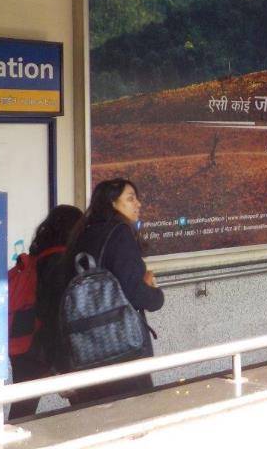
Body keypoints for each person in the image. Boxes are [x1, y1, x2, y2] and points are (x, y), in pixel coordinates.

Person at [62, 178, 164, 405]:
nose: (138, 204)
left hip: (85, 349)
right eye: (130, 198)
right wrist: (154, 292)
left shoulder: (81, 234)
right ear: (112, 203)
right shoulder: (120, 234)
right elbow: (136, 293)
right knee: (134, 417)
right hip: (121, 348)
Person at [8, 204, 83, 420]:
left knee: (23, 408)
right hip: (43, 346)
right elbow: (54, 317)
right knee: (84, 404)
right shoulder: (61, 263)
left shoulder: (37, 258)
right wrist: (61, 367)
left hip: (23, 343)